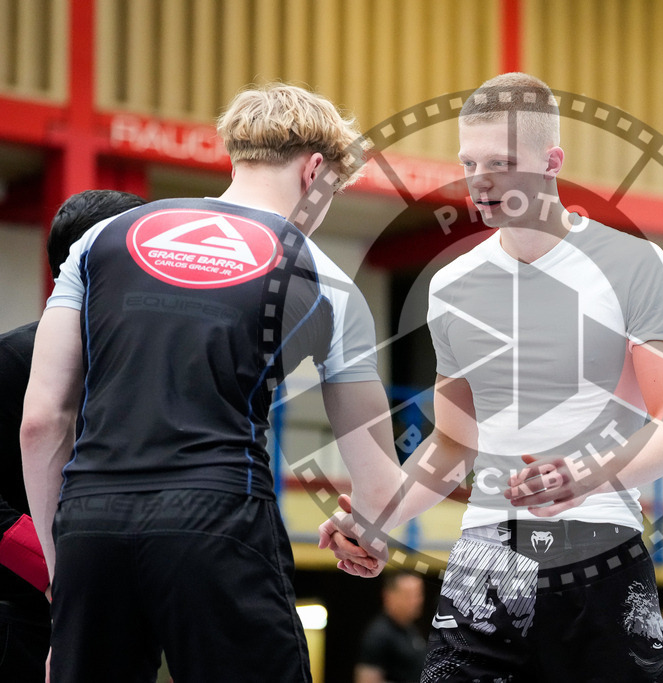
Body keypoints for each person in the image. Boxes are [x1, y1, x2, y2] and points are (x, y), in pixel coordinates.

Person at [322, 72, 663, 682]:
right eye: (469, 163)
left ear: (552, 162)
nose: (481, 180)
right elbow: (453, 445)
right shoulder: (452, 286)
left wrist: (585, 475)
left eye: (500, 163)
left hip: (600, 548)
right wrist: (375, 518)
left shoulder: (634, 264)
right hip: (486, 555)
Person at [21, 82, 401, 682]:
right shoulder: (328, 282)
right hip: (220, 520)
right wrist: (365, 530)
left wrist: (62, 574)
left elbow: (41, 422)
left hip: (92, 521)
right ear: (314, 171)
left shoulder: (99, 239)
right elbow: (378, 479)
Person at [0, 190, 146, 682]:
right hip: (20, 620)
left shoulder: (144, 369)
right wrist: (58, 572)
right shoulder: (10, 361)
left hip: (114, 618)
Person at [355, 570, 428, 683]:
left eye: (418, 595)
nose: (416, 601)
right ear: (388, 596)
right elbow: (366, 680)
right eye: (408, 596)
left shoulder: (411, 630)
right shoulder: (379, 635)